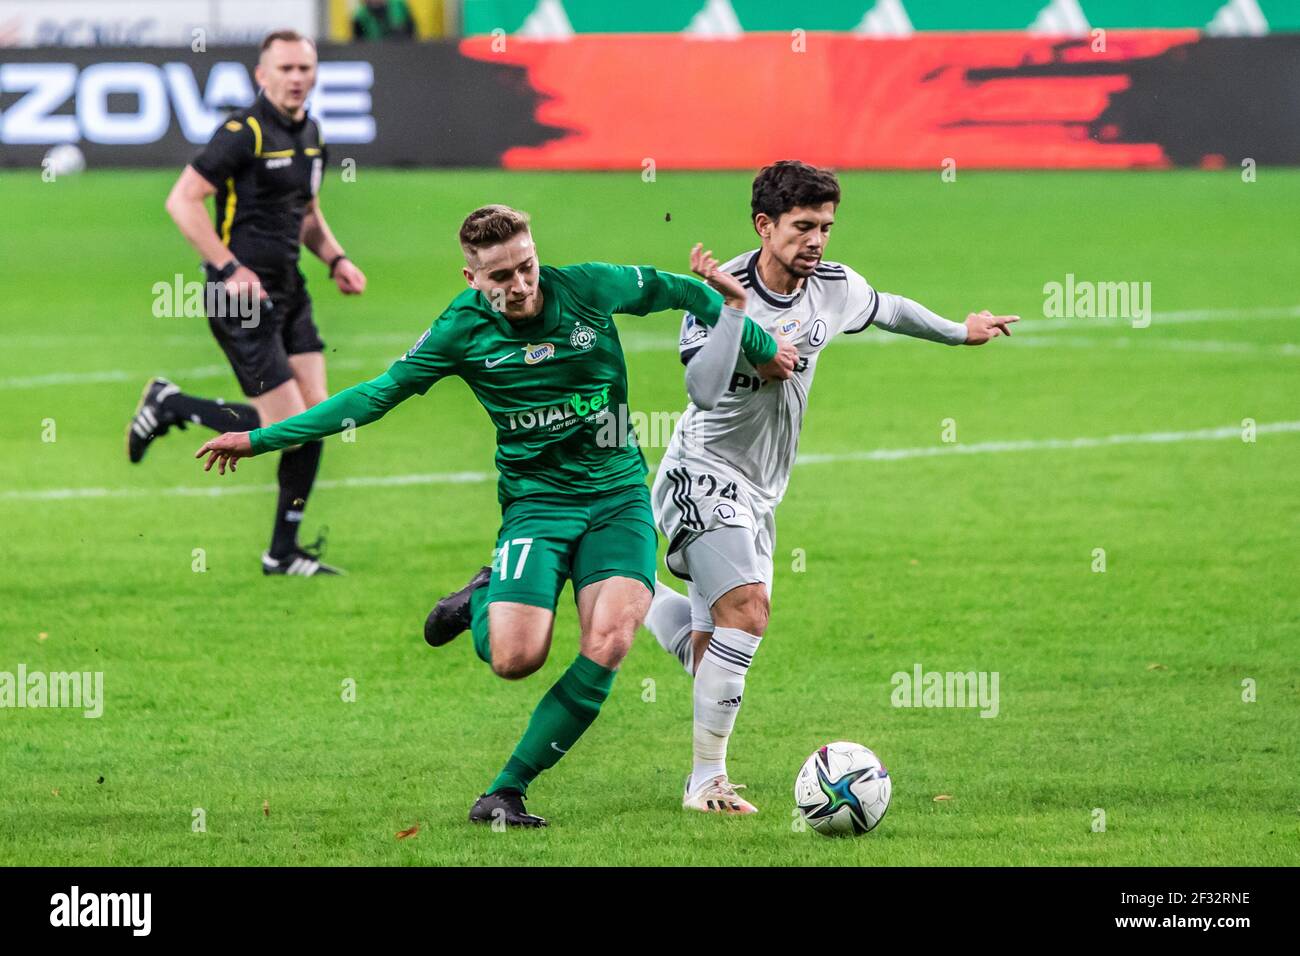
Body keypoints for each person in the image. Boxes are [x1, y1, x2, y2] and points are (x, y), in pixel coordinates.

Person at [193, 204, 797, 827]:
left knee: (612, 637)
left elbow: (685, 292)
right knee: (515, 660)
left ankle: (505, 792)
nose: (520, 286)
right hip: (536, 507)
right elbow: (375, 395)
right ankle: (480, 596)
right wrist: (262, 439)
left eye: (527, 267)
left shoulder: (589, 287)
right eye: (501, 277)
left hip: (616, 498)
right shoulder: (461, 330)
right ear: (472, 280)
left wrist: (758, 345)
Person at [643, 160, 1019, 814]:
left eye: (825, 227)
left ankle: (620, 591)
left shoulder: (832, 288)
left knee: (714, 649)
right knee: (749, 611)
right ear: (764, 225)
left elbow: (888, 308)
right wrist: (743, 326)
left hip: (760, 490)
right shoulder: (716, 293)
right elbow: (700, 391)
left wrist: (963, 332)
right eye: (802, 226)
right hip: (698, 475)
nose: (816, 240)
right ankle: (706, 783)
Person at [126, 29, 367, 576]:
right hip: (241, 298)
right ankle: (171, 405)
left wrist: (336, 259)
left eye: (305, 68)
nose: (297, 77)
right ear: (263, 75)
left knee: (318, 420)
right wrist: (228, 268)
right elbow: (182, 200)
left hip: (291, 289)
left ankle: (282, 552)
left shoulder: (312, 134)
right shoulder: (243, 132)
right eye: (285, 68)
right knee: (289, 424)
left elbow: (306, 215)